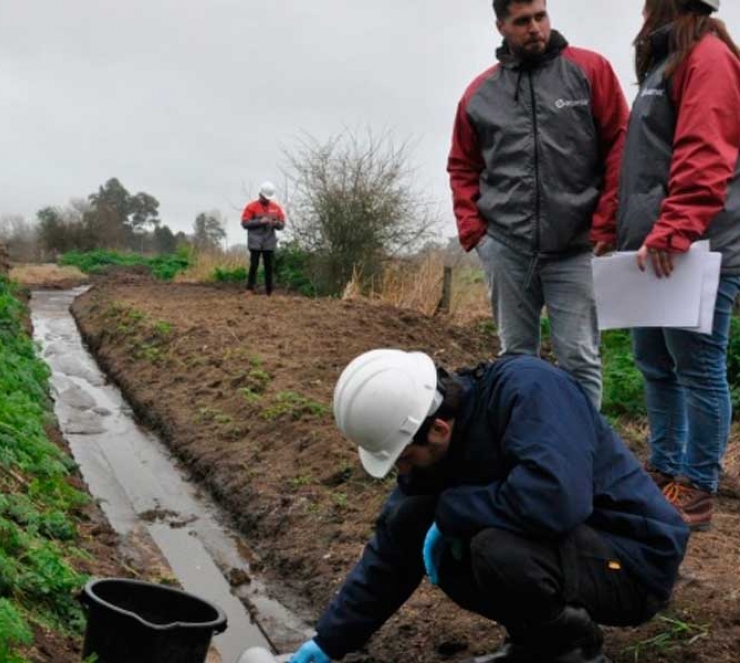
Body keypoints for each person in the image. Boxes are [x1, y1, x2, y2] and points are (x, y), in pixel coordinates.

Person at [290, 350, 689, 663]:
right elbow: (393, 550)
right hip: (572, 552)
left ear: (439, 429)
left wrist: (450, 514)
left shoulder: (529, 391)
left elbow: (555, 500)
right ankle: (533, 647)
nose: (403, 471)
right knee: (414, 521)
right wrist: (329, 641)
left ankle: (575, 655)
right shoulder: (439, 442)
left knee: (493, 548)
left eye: (405, 458)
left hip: (634, 560)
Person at [447, 0, 629, 410]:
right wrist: (475, 233)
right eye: (522, 21)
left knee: (580, 359)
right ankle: (527, 448)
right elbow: (462, 165)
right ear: (501, 26)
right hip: (507, 247)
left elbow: (621, 142)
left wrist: (606, 221)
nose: (535, 28)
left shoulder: (590, 71)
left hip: (575, 247)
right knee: (516, 359)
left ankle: (584, 456)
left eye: (540, 17)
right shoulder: (479, 95)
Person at [600, 0, 740, 530]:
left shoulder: (707, 58)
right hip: (656, 246)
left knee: (699, 370)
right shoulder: (666, 63)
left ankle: (698, 489)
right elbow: (643, 163)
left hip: (698, 248)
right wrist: (612, 227)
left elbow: (706, 152)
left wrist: (676, 227)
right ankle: (665, 473)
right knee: (656, 364)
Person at [241, 181, 286, 296]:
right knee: (254, 265)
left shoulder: (276, 208)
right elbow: (245, 223)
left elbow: (282, 224)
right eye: (265, 197)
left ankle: (270, 291)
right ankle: (250, 289)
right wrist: (259, 222)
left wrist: (276, 223)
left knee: (269, 267)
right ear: (260, 194)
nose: (266, 200)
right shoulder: (251, 207)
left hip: (269, 242)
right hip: (255, 241)